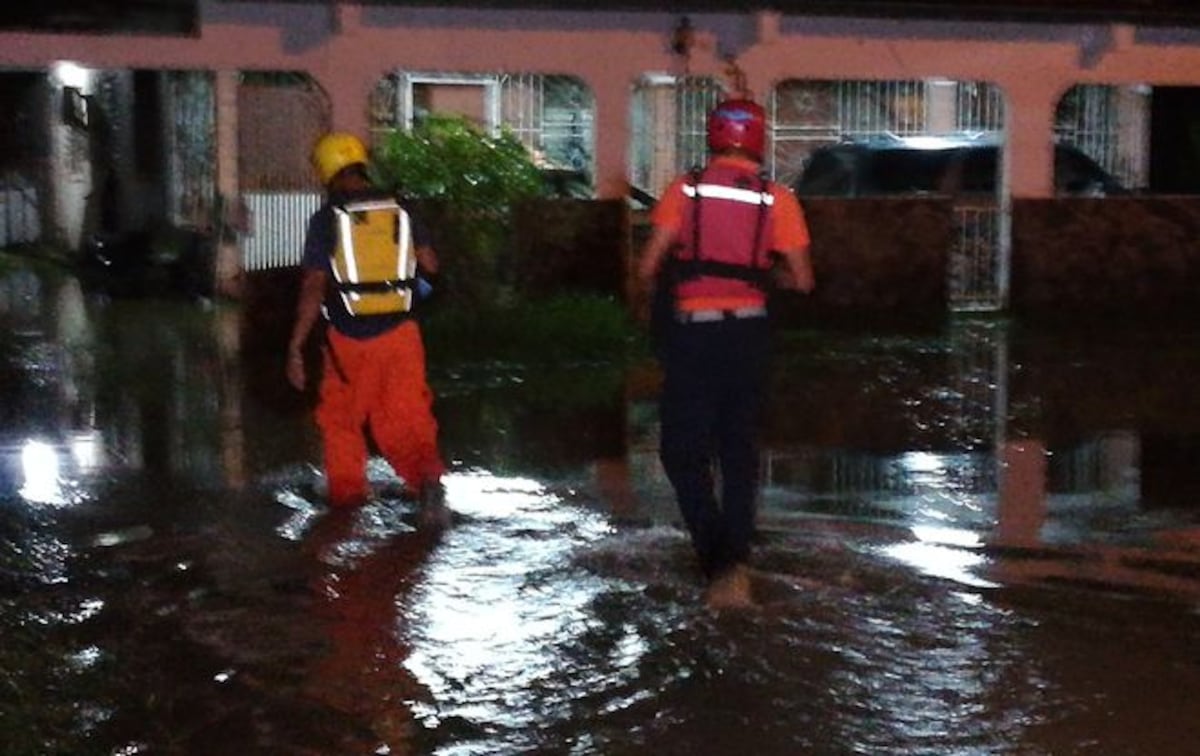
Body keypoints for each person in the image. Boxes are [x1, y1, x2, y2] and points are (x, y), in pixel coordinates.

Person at [636, 98, 815, 609]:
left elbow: (647, 268)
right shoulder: (776, 198)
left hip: (695, 337)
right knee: (739, 453)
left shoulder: (685, 190)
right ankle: (734, 561)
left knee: (680, 453)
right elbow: (802, 280)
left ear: (714, 136)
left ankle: (715, 557)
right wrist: (761, 275)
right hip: (750, 338)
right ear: (758, 139)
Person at [286, 132, 447, 514]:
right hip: (403, 336)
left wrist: (295, 346)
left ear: (327, 173)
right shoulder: (401, 211)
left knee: (341, 421)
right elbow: (431, 266)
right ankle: (427, 483)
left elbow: (313, 286)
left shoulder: (327, 220)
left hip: (349, 341)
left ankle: (347, 503)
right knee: (407, 416)